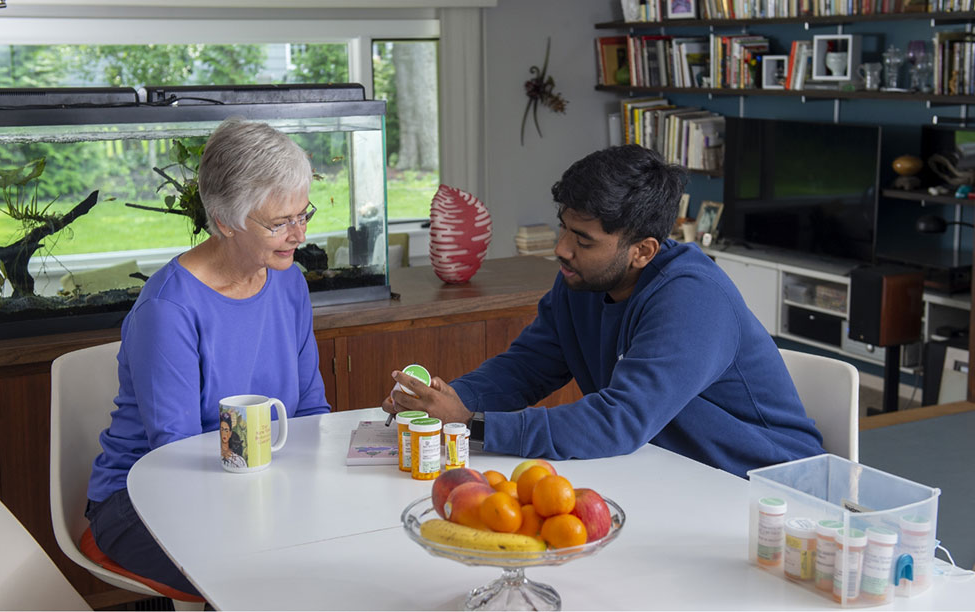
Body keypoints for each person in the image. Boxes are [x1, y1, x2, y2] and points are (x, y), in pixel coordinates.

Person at [383, 144, 824, 478]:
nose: (561, 249)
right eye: (563, 228)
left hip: (761, 488)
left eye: (583, 239)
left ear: (642, 251)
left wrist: (473, 426)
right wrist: (449, 401)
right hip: (669, 470)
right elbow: (526, 368)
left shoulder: (693, 298)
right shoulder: (583, 280)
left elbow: (619, 420)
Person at [86, 118, 330, 595]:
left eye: (303, 214)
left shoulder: (289, 282)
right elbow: (174, 456)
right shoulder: (168, 309)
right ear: (224, 221)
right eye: (279, 223)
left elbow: (311, 411)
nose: (298, 234)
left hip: (257, 487)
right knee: (265, 578)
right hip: (144, 500)